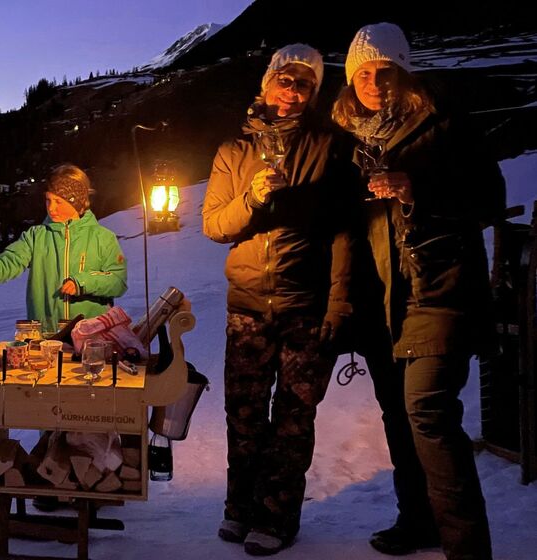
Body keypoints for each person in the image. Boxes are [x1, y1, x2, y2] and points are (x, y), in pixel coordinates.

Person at [332, 23, 504, 560]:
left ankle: (466, 548)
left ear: (404, 72)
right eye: (364, 72)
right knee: (398, 414)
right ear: (350, 79)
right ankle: (418, 520)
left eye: (386, 69)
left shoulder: (444, 124)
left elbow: (489, 198)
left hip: (439, 288)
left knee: (427, 409)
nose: (375, 81)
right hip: (381, 299)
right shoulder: (346, 141)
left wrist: (417, 189)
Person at [202, 44, 354, 556]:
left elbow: (342, 233)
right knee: (243, 415)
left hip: (303, 306)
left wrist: (338, 303)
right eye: (284, 82)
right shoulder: (233, 151)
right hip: (246, 306)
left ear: (313, 94)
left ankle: (277, 516)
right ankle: (238, 508)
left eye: (303, 85)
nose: (291, 93)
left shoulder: (330, 147)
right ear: (267, 84)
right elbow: (214, 226)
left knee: (293, 417)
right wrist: (252, 199)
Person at [0, 164, 127, 333]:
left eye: (58, 201)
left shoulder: (103, 238)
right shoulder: (36, 236)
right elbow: (7, 264)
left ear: (76, 202)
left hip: (91, 336)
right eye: (48, 200)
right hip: (46, 338)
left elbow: (118, 282)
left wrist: (83, 282)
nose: (51, 208)